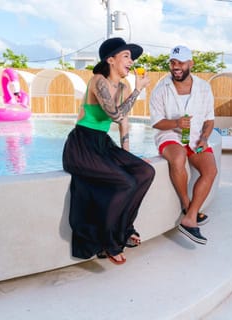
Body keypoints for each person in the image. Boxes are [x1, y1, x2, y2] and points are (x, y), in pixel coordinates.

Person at [62, 37, 155, 265]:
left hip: (103, 143)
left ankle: (124, 228)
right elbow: (115, 114)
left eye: (131, 57)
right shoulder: (98, 81)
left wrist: (127, 156)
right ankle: (110, 242)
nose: (131, 61)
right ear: (111, 60)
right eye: (126, 56)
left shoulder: (122, 87)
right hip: (82, 144)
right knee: (125, 182)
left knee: (145, 172)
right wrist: (138, 91)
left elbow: (123, 121)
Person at [149, 45, 217, 245]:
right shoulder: (161, 89)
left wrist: (204, 139)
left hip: (195, 137)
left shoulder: (204, 88)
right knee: (178, 158)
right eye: (173, 62)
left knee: (210, 170)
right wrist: (177, 123)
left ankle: (190, 217)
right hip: (169, 135)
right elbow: (156, 122)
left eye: (180, 62)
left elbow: (209, 120)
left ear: (190, 64)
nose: (176, 66)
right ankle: (187, 205)